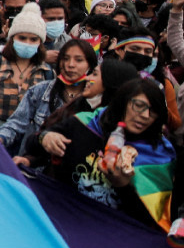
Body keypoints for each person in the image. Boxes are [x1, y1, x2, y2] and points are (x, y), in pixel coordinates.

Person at [33, 78, 179, 230]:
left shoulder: (159, 155)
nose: (145, 115)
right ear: (122, 102)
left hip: (112, 237)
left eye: (154, 111)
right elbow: (34, 148)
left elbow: (153, 223)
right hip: (63, 220)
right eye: (139, 106)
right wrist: (45, 137)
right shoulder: (83, 124)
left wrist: (123, 186)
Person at [0, 39, 97, 156]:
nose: (70, 65)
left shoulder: (96, 99)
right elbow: (16, 124)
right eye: (65, 59)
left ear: (90, 65)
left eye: (79, 60)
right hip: (31, 168)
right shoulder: (39, 91)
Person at [0, 3, 54, 129]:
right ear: (12, 39)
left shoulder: (47, 73)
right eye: (22, 38)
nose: (27, 43)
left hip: (25, 136)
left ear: (40, 43)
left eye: (33, 39)